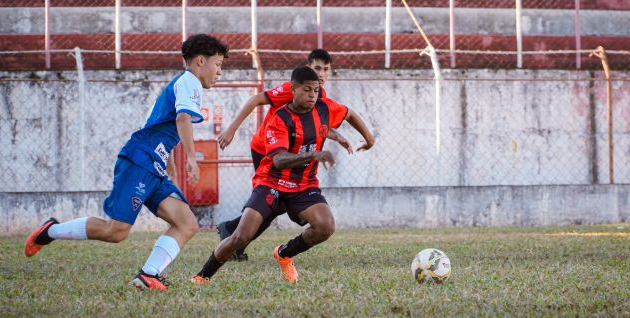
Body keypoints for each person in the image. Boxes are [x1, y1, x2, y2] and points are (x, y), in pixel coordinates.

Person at [23, 34, 229, 292]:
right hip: (140, 161)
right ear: (201, 61)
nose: (219, 72)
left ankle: (148, 275)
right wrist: (192, 159)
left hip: (154, 164)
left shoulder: (183, 84)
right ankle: (49, 231)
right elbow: (182, 120)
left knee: (186, 223)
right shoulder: (190, 82)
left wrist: (170, 167)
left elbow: (162, 129)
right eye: (218, 64)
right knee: (116, 231)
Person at [190, 66, 375, 285]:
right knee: (241, 237)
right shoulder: (279, 118)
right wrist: (314, 155)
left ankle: (284, 253)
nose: (312, 95)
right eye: (307, 90)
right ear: (293, 90)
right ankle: (202, 276)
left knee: (326, 226)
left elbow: (349, 113)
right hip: (272, 181)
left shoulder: (325, 108)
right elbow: (278, 159)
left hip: (304, 184)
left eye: (316, 90)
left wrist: (369, 138)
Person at [215, 49, 354, 261]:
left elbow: (314, 126)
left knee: (276, 203)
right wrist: (232, 129)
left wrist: (336, 137)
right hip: (266, 150)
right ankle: (234, 239)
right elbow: (255, 100)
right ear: (308, 68)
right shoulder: (293, 90)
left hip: (286, 152)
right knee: (272, 201)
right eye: (317, 68)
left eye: (326, 69)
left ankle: (232, 230)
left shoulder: (317, 95)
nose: (322, 74)